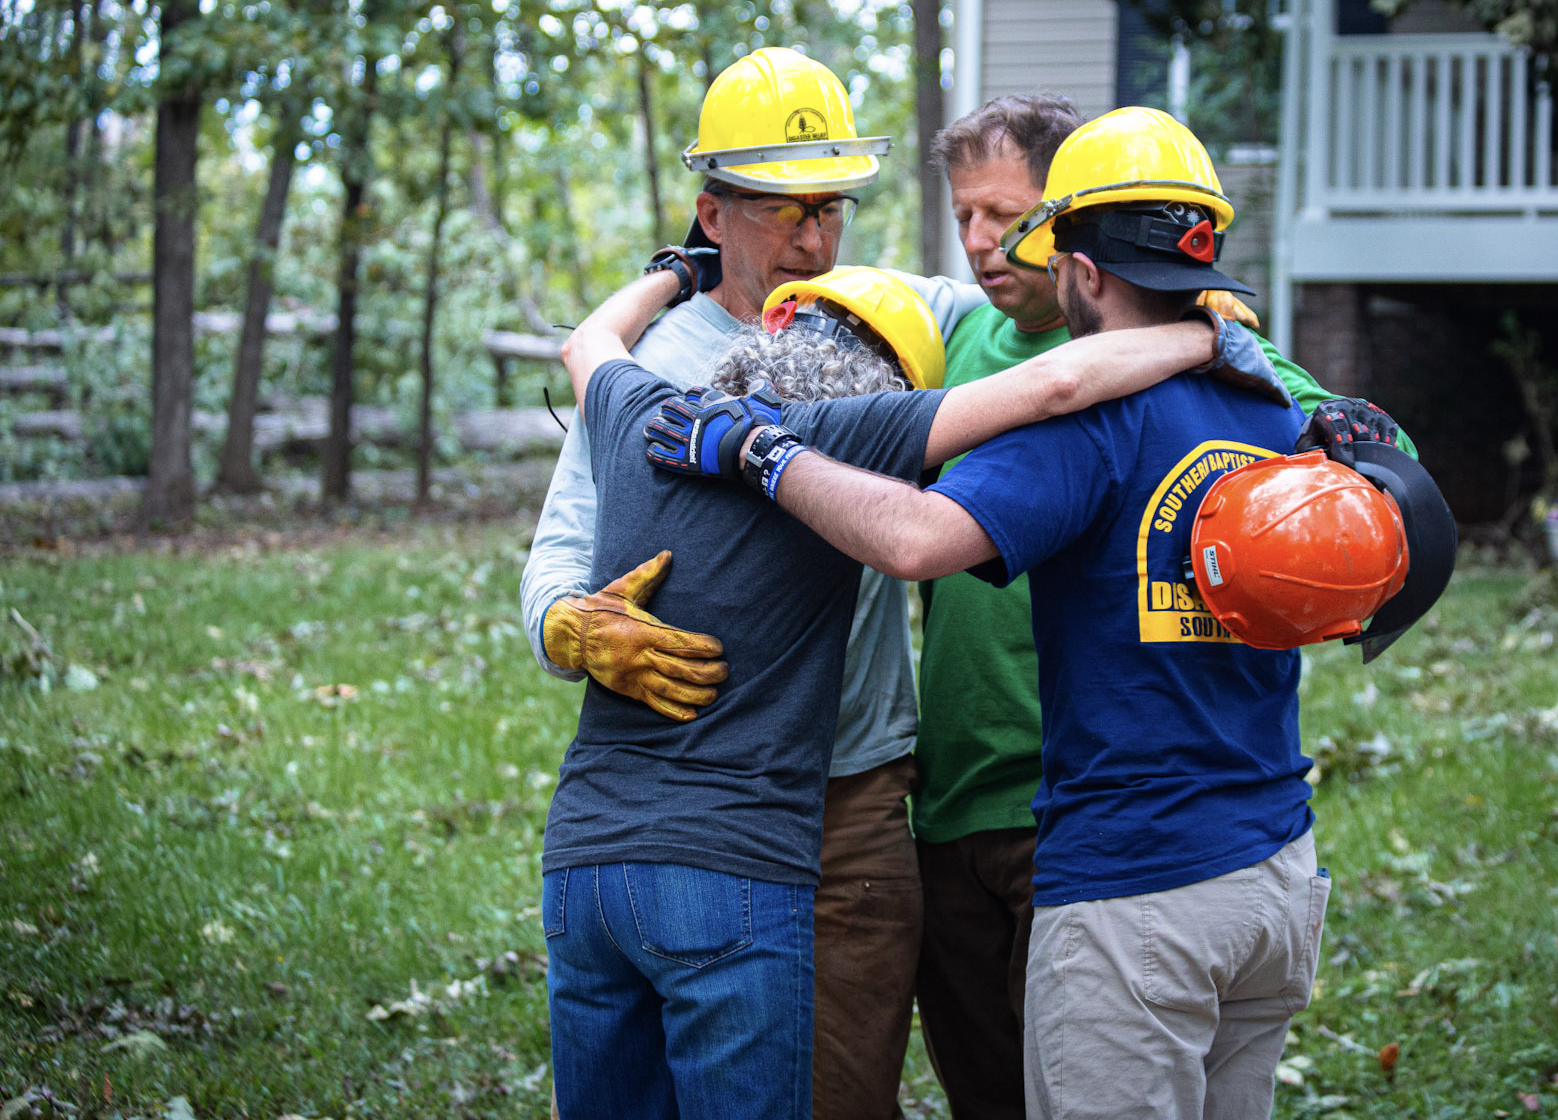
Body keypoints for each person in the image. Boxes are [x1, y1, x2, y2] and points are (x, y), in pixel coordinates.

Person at [643, 107, 1401, 1120]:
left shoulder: (1088, 423)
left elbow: (913, 539)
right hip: (1271, 875)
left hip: (1138, 894)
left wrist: (758, 453)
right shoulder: (1277, 413)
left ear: (1080, 270)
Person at [544, 255, 1287, 1118]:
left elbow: (588, 340)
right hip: (731, 865)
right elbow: (1056, 385)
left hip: (582, 863)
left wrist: (675, 274)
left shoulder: (646, 408)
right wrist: (1204, 331)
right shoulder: (849, 432)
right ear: (892, 377)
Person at [911, 94, 1412, 1120]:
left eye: (1006, 219)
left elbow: (1369, 480)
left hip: (1102, 824)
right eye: (960, 215)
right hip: (958, 797)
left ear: (1072, 241)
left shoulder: (1243, 372)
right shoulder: (947, 338)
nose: (978, 243)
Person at [519, 46, 983, 1117]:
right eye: (782, 209)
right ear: (711, 213)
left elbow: (1025, 313)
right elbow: (558, 548)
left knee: (836, 1094)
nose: (814, 238)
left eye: (831, 208)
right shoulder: (656, 363)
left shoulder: (892, 319)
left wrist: (1185, 316)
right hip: (685, 799)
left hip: (850, 795)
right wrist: (570, 631)